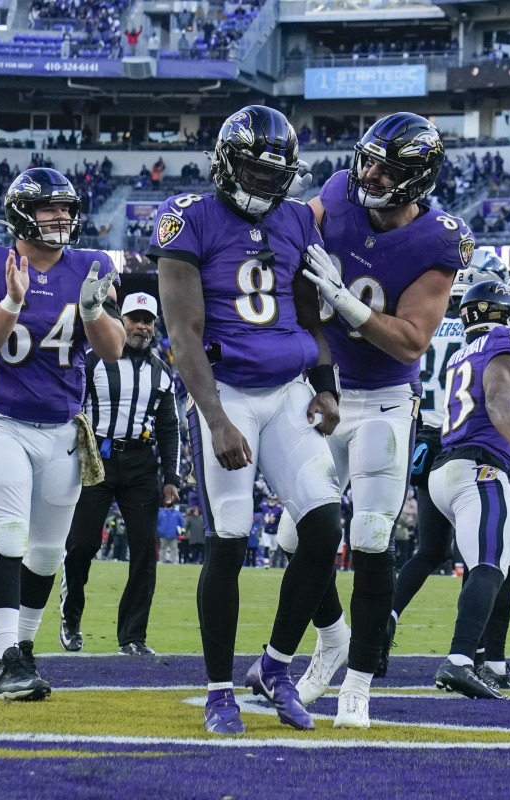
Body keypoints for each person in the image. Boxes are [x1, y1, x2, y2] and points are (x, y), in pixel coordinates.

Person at [149, 105, 345, 734]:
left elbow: (311, 315)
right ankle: (217, 691)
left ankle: (275, 666)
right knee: (229, 540)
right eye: (253, 171)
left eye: (273, 174)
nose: (263, 184)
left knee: (324, 527)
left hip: (287, 390)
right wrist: (215, 420)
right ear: (226, 164)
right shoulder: (189, 218)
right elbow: (183, 333)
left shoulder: (297, 221)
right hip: (225, 389)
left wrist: (327, 387)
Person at [274, 112, 470, 728]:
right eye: (368, 160)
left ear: (417, 178)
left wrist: (341, 300)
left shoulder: (438, 240)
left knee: (371, 535)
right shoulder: (336, 193)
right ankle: (332, 637)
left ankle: (358, 685)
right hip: (326, 390)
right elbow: (288, 234)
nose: (370, 174)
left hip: (384, 398)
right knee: (293, 539)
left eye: (386, 168)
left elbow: (411, 341)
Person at [0, 167, 125, 701]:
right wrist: (11, 301)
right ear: (22, 213)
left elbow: (113, 349)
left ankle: (24, 650)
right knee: (8, 536)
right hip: (0, 417)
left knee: (49, 553)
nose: (61, 217)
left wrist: (93, 310)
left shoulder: (92, 266)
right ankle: (4, 659)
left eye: (67, 208)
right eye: (50, 207)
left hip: (60, 425)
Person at [428, 280, 510, 699]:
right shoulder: (508, 339)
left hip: (448, 468)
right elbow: (497, 399)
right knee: (489, 561)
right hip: (477, 469)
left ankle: (493, 664)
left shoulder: (462, 352)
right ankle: (460, 660)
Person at [59, 291, 181, 657]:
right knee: (82, 543)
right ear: (120, 321)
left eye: (147, 321)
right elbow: (71, 409)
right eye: (134, 319)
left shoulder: (162, 372)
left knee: (144, 550)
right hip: (97, 458)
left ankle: (132, 636)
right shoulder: (93, 360)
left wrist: (171, 477)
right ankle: (71, 617)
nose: (141, 326)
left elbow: (169, 427)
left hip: (141, 463)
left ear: (154, 326)